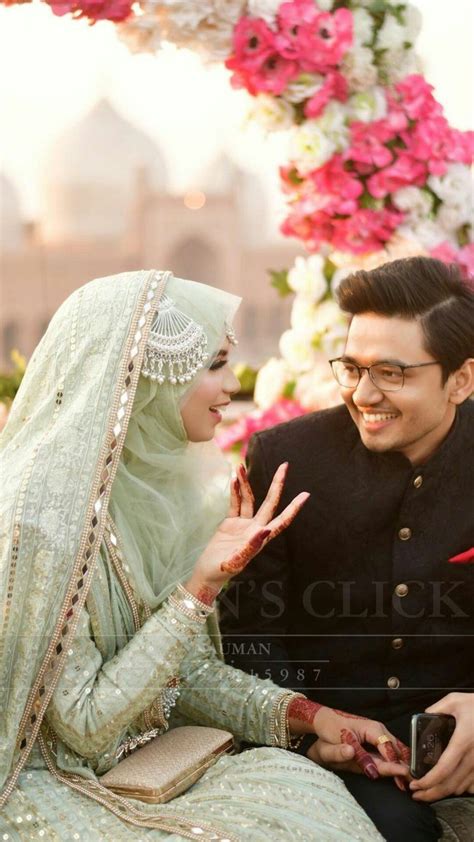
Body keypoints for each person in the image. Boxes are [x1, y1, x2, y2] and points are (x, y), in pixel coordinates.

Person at [0, 268, 408, 841]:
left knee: (305, 791)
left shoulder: (143, 490)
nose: (230, 387)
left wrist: (312, 717)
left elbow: (181, 674)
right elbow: (87, 727)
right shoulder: (38, 521)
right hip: (54, 781)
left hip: (151, 764)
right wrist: (200, 589)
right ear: (148, 376)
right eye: (212, 365)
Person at [220, 256, 474, 842]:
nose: (365, 393)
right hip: (340, 755)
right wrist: (312, 736)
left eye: (392, 372)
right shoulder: (286, 459)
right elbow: (250, 635)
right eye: (353, 368)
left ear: (460, 379)